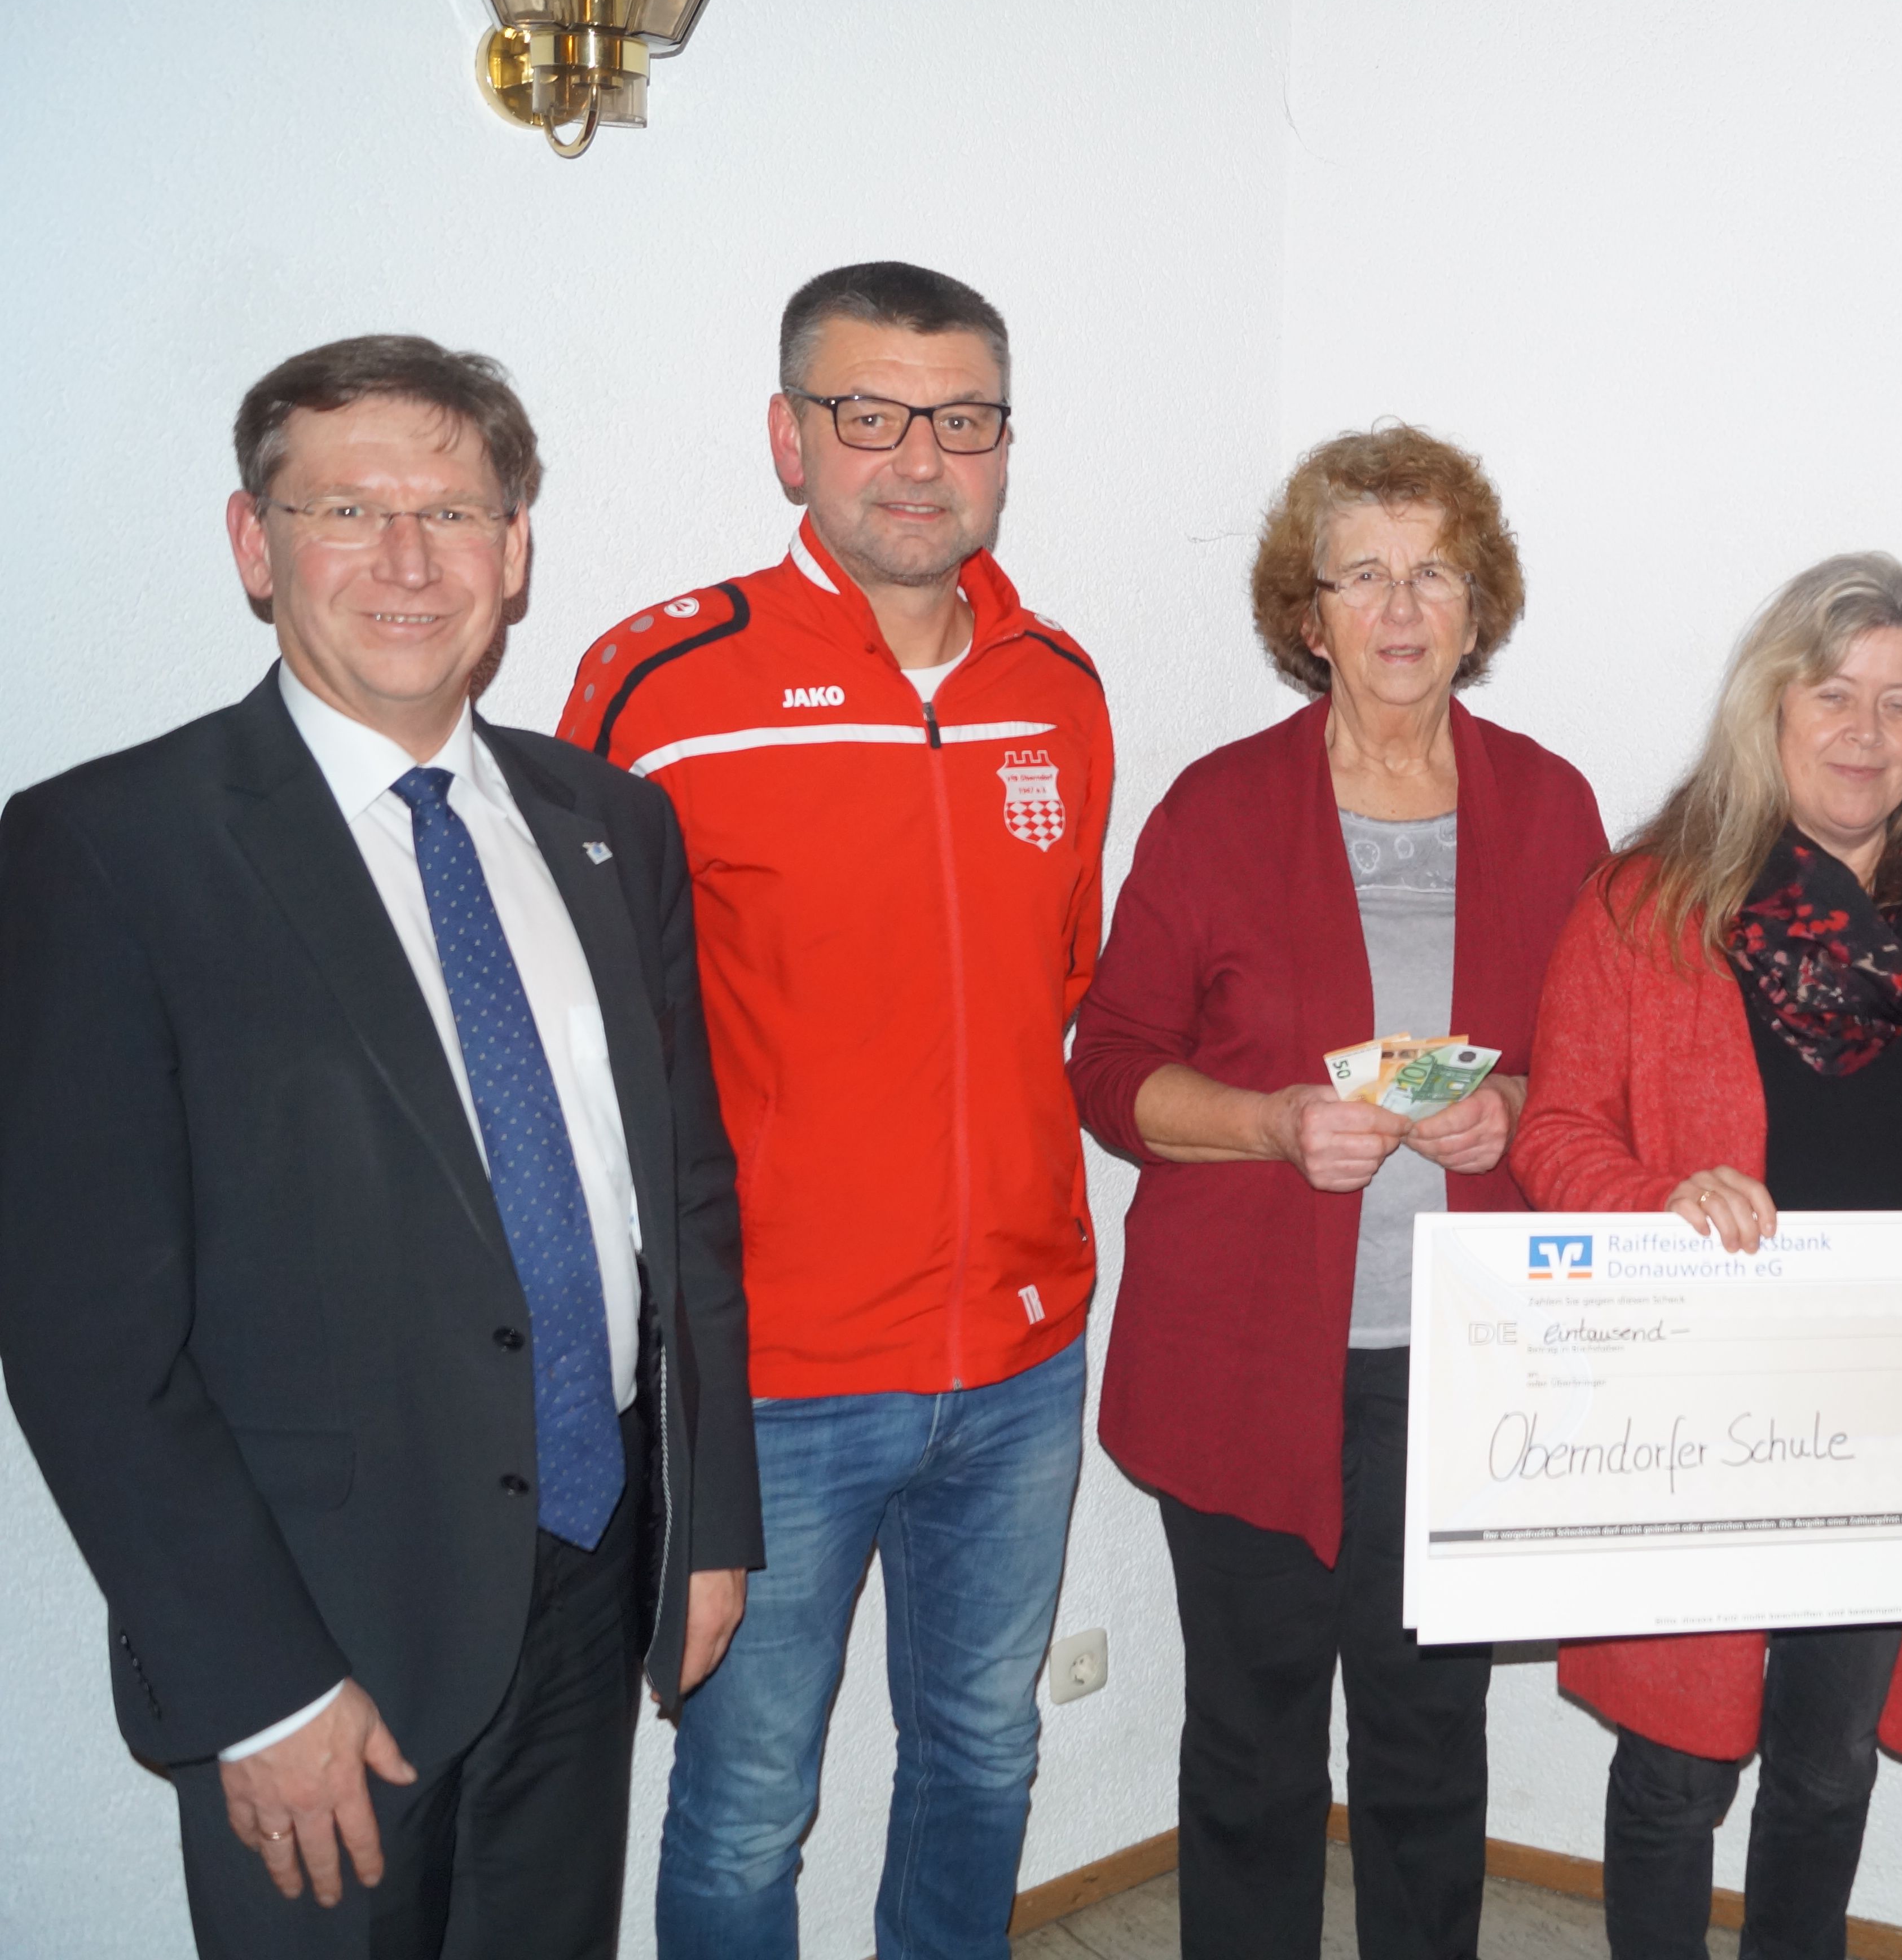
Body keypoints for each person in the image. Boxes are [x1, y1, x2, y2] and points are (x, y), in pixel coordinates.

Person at [0, 334, 759, 1958]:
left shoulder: (611, 825)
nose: (410, 562)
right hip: (322, 1631)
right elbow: (81, 1340)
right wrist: (257, 1686)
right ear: (253, 543)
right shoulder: (108, 849)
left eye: (457, 512)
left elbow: (683, 1204)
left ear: (517, 548)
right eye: (348, 510)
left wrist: (708, 1532)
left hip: (592, 1571)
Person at [558, 262, 1114, 1960]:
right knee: (746, 1801)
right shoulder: (664, 684)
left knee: (986, 1748)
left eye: (964, 418)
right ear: (789, 437)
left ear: (1005, 443)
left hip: (1021, 1354)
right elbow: (593, 1040)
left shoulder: (1059, 686)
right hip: (775, 1376)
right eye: (871, 415)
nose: (920, 459)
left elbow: (1056, 984)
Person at [1513, 553, 1902, 1960]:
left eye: (1899, 702)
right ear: (1771, 708)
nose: (1865, 730)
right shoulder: (1647, 906)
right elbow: (1554, 1131)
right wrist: (1660, 1200)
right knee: (1677, 1769)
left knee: (1829, 1762)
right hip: (1696, 1411)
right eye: (1833, 693)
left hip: (1893, 1425)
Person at [1069, 423, 1604, 1959]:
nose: (1399, 607)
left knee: (1430, 1748)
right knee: (1252, 1754)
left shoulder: (1550, 806)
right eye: (1361, 574)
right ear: (1308, 617)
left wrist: (1516, 1109)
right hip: (1243, 1359)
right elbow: (1110, 1069)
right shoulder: (1218, 807)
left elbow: (1600, 1065)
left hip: (1467, 1366)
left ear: (1478, 604)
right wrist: (1268, 1123)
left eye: (1433, 571)